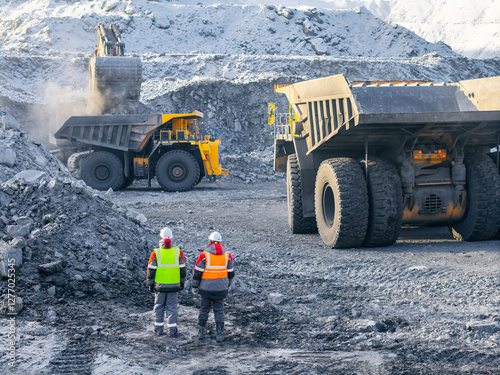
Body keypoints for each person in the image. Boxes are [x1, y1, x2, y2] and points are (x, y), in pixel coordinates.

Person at [192, 231, 234, 342]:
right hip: (221, 289)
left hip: (206, 289)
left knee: (204, 309)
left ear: (210, 241)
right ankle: (219, 335)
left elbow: (197, 273)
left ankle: (201, 333)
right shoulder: (227, 255)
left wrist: (195, 286)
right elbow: (231, 273)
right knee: (219, 310)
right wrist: (227, 285)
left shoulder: (204, 255)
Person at [146, 227, 186, 337]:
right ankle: (172, 331)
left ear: (161, 239)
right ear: (171, 238)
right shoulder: (177, 252)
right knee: (172, 308)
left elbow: (151, 270)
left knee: (158, 306)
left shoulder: (156, 253)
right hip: (174, 286)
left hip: (159, 286)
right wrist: (182, 282)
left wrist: (150, 283)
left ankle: (158, 330)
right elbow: (183, 269)